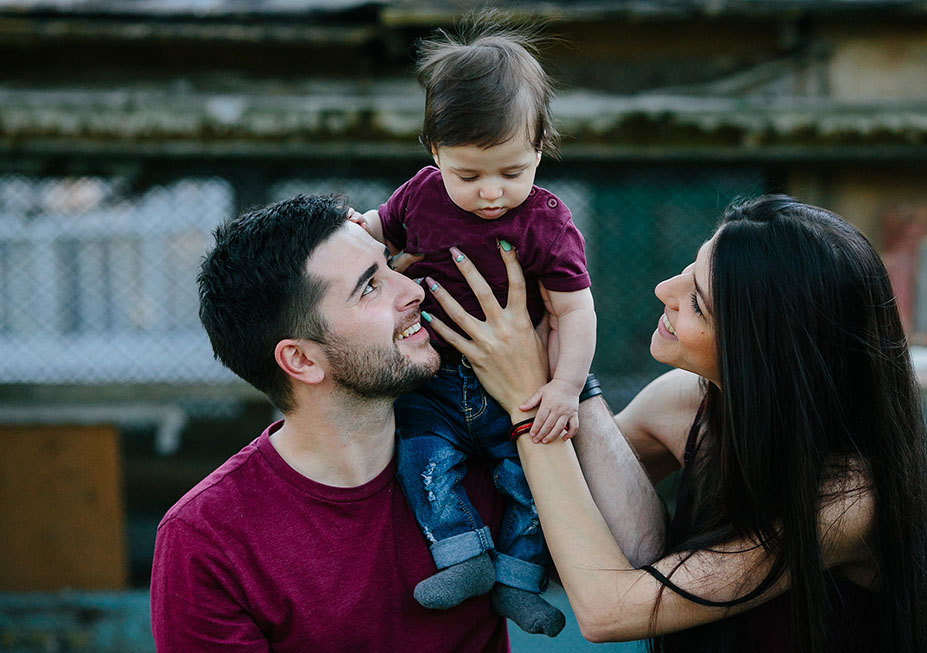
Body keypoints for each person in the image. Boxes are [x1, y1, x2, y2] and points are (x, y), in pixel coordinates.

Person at [424, 195, 927, 652]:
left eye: (696, 302)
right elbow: (597, 528)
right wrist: (566, 378)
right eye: (688, 269)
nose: (663, 290)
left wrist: (526, 400)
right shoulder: (682, 406)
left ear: (762, 353)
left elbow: (609, 608)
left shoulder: (845, 503)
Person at [149, 194, 663, 651]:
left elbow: (642, 553)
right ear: (302, 360)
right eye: (369, 287)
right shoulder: (206, 541)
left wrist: (559, 371)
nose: (413, 288)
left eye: (389, 263)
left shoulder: (482, 437)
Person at [350, 18, 595, 636]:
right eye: (469, 175)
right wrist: (355, 231)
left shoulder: (547, 223)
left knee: (529, 486)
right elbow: (378, 228)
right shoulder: (423, 196)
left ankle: (518, 579)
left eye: (513, 172)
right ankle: (460, 557)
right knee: (421, 463)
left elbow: (575, 311)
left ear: (540, 148)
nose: (492, 193)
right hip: (434, 380)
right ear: (435, 155)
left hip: (516, 386)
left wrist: (565, 388)